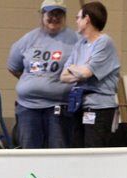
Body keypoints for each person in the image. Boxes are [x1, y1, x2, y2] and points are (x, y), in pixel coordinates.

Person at [7, 0, 78, 149]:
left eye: (59, 14)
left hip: (58, 107)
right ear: (42, 14)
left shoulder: (75, 40)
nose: (55, 17)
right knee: (29, 152)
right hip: (28, 107)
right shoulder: (28, 39)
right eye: (51, 13)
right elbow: (13, 67)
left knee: (57, 151)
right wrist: (33, 83)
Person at [60, 1, 120, 147]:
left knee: (93, 150)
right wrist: (79, 71)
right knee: (77, 149)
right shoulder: (80, 44)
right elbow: (63, 76)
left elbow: (86, 73)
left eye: (78, 17)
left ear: (87, 19)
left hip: (99, 108)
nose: (76, 21)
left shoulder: (104, 42)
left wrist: (76, 69)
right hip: (80, 105)